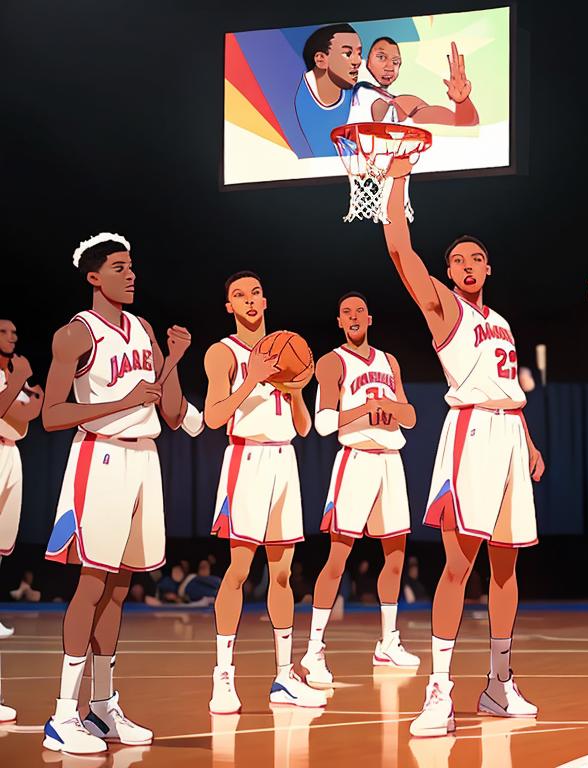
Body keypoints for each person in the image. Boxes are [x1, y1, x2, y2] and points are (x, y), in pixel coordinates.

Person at [379, 162, 545, 737]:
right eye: (458, 261)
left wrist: (527, 440)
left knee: (507, 566)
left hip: (506, 433)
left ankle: (499, 684)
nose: (468, 266)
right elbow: (400, 247)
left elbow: (508, 389)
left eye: (476, 259)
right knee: (457, 565)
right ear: (448, 273)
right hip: (469, 433)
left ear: (488, 268)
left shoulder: (500, 322)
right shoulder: (444, 309)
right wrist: (398, 178)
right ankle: (438, 691)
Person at [39, 233, 190, 753]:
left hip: (144, 456)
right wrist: (119, 401)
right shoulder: (76, 335)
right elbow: (51, 415)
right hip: (99, 455)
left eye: (132, 267)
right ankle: (62, 715)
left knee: (121, 587)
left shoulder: (144, 328)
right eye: (120, 267)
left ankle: (102, 708)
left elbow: (169, 413)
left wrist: (172, 360)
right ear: (94, 277)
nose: (131, 275)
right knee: (91, 582)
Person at [203, 271, 323, 714]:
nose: (249, 300)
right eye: (239, 295)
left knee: (282, 575)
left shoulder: (286, 347)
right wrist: (252, 378)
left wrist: (293, 392)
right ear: (229, 306)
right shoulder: (223, 353)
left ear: (266, 300)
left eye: (255, 292)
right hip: (246, 460)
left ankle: (283, 677)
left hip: (283, 459)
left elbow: (305, 428)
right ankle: (223, 678)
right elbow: (215, 417)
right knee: (237, 571)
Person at [301, 292, 419, 686]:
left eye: (359, 311)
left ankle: (388, 641)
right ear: (339, 322)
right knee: (338, 560)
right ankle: (313, 650)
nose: (353, 317)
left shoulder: (389, 361)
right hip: (355, 460)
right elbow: (322, 422)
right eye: (346, 313)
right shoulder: (332, 361)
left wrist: (389, 406)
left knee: (397, 558)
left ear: (370, 318)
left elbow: (411, 416)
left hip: (390, 461)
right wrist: (367, 410)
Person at [0, 318, 43, 643]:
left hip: (12, 451)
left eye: (15, 331)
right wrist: (19, 381)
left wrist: (27, 391)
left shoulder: (11, 376)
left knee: (3, 538)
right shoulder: (11, 375)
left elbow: (27, 414)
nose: (12, 337)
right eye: (4, 331)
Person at [350, 38, 478, 126]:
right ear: (367, 61)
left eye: (395, 62)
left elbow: (465, 123)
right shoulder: (355, 90)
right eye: (381, 57)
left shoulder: (405, 102)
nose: (389, 67)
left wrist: (462, 101)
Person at [295, 24, 362, 157]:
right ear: (320, 60)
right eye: (347, 53)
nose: (358, 60)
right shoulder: (293, 99)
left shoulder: (360, 90)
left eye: (359, 53)